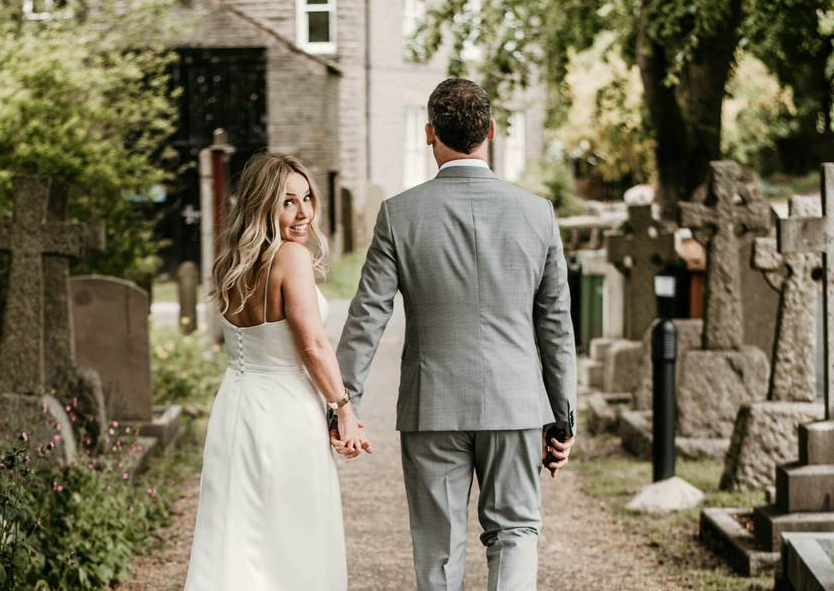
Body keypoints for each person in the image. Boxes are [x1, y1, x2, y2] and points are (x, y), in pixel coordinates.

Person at [335, 78, 577, 591]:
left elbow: (368, 315)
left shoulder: (399, 215)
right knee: (515, 532)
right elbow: (555, 324)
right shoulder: (538, 214)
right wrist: (562, 418)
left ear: (429, 134)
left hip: (433, 407)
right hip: (515, 405)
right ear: (490, 131)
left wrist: (344, 402)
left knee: (438, 548)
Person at [184, 152, 370, 590]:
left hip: (236, 407)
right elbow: (312, 344)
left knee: (237, 534)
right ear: (262, 205)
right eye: (288, 201)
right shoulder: (291, 258)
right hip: (287, 412)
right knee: (292, 537)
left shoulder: (233, 261)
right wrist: (343, 407)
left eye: (307, 198)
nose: (304, 212)